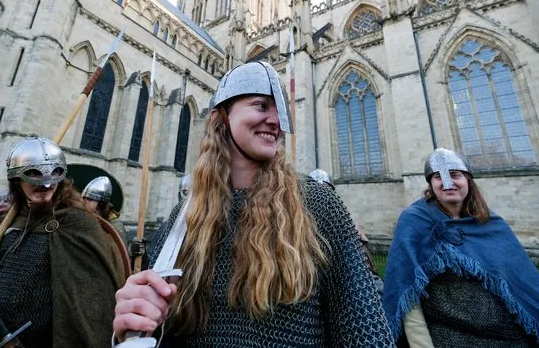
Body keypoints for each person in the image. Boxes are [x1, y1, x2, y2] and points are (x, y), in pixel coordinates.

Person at [113, 61, 394, 346]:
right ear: (220, 117)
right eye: (260, 105)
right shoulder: (183, 219)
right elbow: (171, 334)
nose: (275, 120)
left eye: (279, 110)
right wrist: (136, 327)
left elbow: (366, 335)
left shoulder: (319, 205)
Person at [383, 148, 539, 347]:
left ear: (468, 180)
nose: (447, 182)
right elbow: (406, 290)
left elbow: (522, 281)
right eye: (438, 177)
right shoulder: (414, 221)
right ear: (431, 185)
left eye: (454, 175)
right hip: (450, 334)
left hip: (509, 333)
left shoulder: (490, 223)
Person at [0, 137, 129, 348]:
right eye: (33, 174)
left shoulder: (77, 222)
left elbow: (93, 296)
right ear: (17, 180)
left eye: (54, 174)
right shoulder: (16, 220)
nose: (45, 183)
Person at [308, 168, 384, 297]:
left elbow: (369, 280)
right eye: (314, 191)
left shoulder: (346, 228)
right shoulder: (294, 231)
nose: (320, 196)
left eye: (325, 191)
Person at [82, 176, 128, 246]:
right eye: (85, 198)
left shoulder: (115, 225)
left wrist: (132, 251)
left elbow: (122, 254)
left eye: (90, 199)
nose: (85, 202)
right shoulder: (80, 218)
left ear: (101, 204)